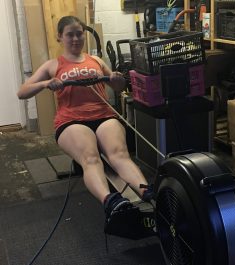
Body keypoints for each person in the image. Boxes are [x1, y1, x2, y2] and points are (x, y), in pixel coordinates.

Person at [17, 16, 152, 224]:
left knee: (119, 155)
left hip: (103, 115)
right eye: (69, 34)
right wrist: (46, 83)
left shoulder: (96, 61)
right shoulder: (53, 65)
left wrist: (117, 80)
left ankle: (148, 194)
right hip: (72, 121)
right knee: (90, 158)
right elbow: (22, 92)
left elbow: (117, 86)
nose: (75, 38)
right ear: (60, 37)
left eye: (79, 33)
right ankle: (111, 201)